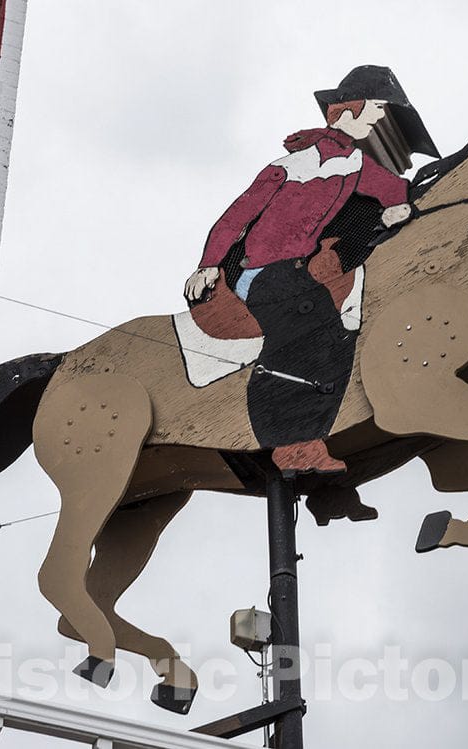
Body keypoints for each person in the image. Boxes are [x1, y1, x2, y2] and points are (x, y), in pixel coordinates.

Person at [183, 66, 439, 476]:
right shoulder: (288, 166)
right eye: (373, 110)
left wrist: (398, 206)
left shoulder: (355, 163)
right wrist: (209, 264)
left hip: (300, 269)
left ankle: (324, 472)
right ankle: (290, 445)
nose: (376, 120)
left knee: (339, 330)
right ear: (347, 110)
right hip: (261, 274)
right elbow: (236, 218)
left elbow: (392, 190)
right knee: (317, 328)